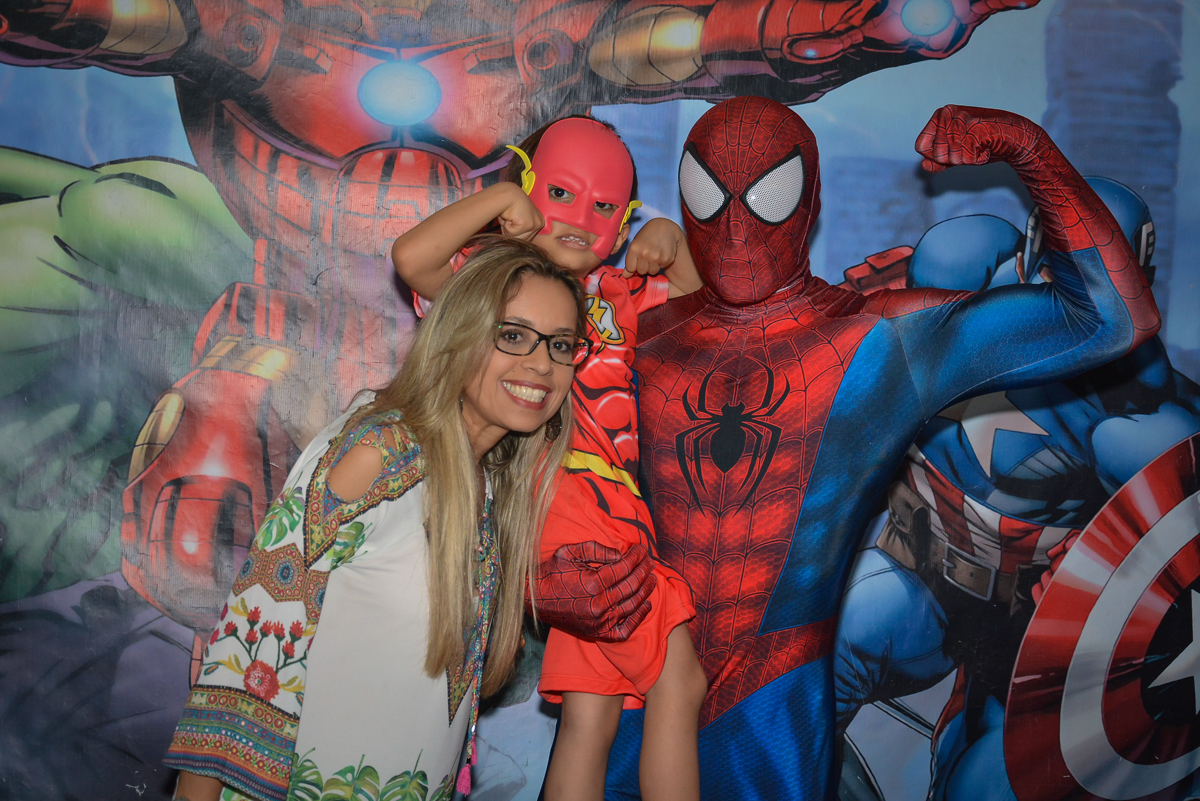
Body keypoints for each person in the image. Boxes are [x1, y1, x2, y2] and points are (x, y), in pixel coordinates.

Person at [579, 98, 1161, 800]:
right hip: (632, 686)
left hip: (774, 710)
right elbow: (560, 480)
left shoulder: (879, 339)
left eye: (770, 195)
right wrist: (549, 579)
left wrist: (1029, 147)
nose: (735, 227)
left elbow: (1109, 316)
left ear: (811, 200)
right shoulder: (641, 333)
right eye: (710, 194)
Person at [162, 238, 587, 801]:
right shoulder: (380, 450)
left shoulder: (488, 486)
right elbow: (242, 657)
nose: (542, 364)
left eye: (561, 345)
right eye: (512, 336)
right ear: (458, 332)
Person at [833, 178, 1200, 801]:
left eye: (1107, 268)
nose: (1090, 291)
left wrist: (1107, 578)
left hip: (1027, 631)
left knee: (986, 785)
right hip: (913, 575)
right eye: (1074, 259)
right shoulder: (961, 274)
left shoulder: (1144, 417)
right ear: (1033, 251)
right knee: (830, 656)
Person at [391, 116, 708, 801]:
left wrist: (673, 245)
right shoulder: (492, 285)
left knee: (591, 714)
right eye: (560, 192)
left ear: (622, 223)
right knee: (679, 681)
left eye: (603, 207)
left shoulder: (617, 299)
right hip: (562, 500)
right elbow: (413, 257)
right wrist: (500, 205)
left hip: (608, 508)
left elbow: (702, 309)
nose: (579, 217)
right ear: (528, 187)